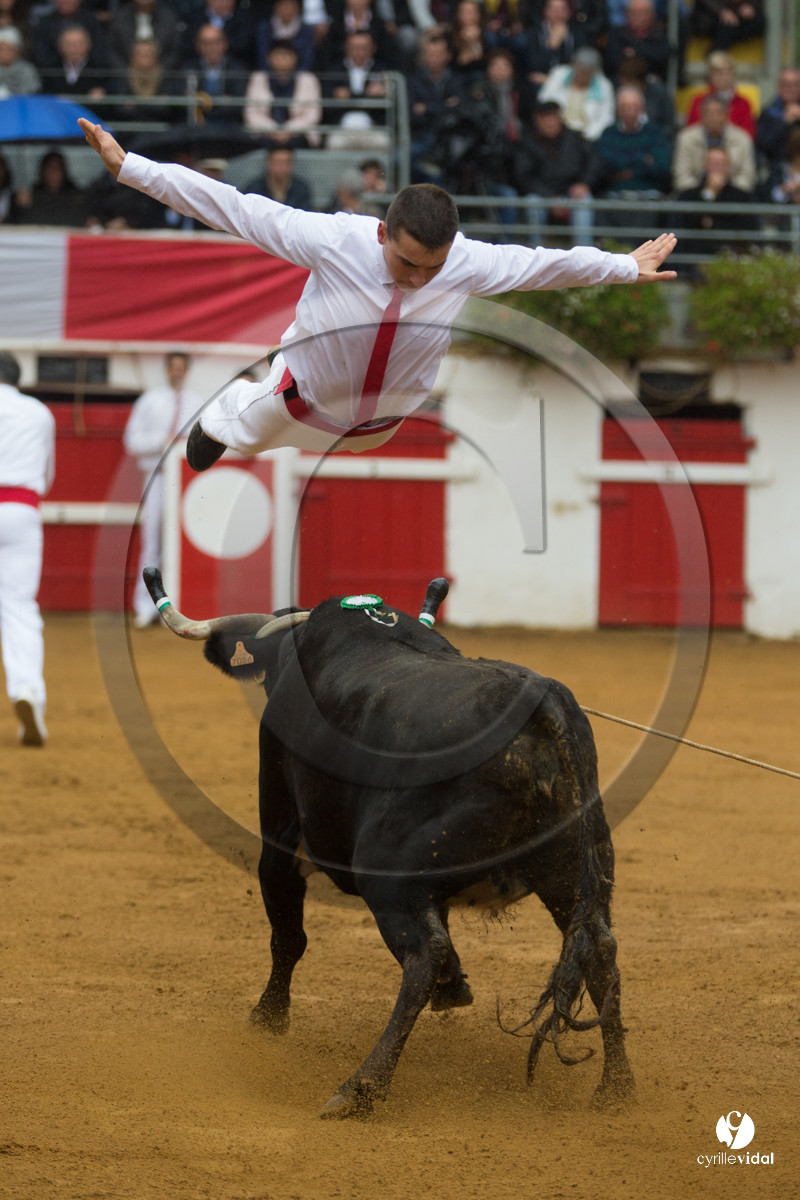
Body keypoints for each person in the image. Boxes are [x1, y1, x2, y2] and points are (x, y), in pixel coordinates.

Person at [78, 115, 677, 468]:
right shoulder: (335, 239)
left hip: (384, 420)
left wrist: (625, 266)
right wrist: (132, 167)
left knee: (347, 433)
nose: (418, 278)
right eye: (408, 263)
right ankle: (221, 416)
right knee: (246, 430)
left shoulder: (466, 261)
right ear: (384, 232)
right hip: (301, 397)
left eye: (431, 269)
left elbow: (543, 264)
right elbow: (233, 207)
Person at [123, 352, 202, 627]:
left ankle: (175, 607)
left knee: (180, 542)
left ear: (186, 370)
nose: (177, 372)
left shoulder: (197, 402)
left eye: (182, 367)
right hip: (156, 476)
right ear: (167, 370)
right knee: (152, 540)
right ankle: (146, 607)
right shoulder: (150, 401)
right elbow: (132, 442)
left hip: (187, 480)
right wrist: (163, 440)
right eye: (173, 367)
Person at [0, 351, 55, 746]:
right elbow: (47, 475)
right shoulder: (39, 412)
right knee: (19, 607)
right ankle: (27, 691)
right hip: (22, 508)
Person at [513, 99, 599, 243]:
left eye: (553, 116)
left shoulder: (576, 138)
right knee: (531, 202)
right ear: (537, 120)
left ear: (560, 118)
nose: (549, 122)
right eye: (545, 117)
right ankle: (536, 254)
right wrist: (549, 197)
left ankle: (585, 256)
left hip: (573, 194)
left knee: (585, 200)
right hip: (542, 196)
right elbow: (523, 176)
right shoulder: (527, 143)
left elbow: (595, 163)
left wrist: (584, 184)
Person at [594, 85, 671, 226]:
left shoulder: (654, 133)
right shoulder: (608, 134)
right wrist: (644, 160)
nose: (630, 112)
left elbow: (662, 167)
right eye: (625, 107)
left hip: (649, 196)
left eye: (634, 106)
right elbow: (604, 167)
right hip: (615, 195)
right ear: (617, 109)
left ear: (642, 109)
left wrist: (624, 166)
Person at [675, 145, 757, 262]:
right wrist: (709, 194)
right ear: (704, 165)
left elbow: (744, 227)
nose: (717, 168)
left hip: (730, 254)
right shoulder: (689, 195)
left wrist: (711, 222)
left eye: (721, 163)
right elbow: (689, 223)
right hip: (695, 255)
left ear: (728, 167)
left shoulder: (742, 196)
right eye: (713, 163)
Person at [244, 39, 322, 147]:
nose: (282, 59)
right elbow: (251, 114)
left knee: (296, 143)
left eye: (287, 55)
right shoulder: (257, 78)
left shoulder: (308, 80)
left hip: (298, 134)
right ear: (268, 58)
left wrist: (287, 130)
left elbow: (312, 115)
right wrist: (273, 130)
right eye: (278, 55)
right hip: (264, 133)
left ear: (295, 58)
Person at [672, 93, 755, 193]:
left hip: (733, 196)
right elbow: (682, 175)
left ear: (726, 114)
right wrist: (704, 190)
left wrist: (728, 191)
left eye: (718, 113)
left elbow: (747, 176)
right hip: (695, 196)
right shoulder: (686, 138)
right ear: (702, 115)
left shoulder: (742, 139)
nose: (714, 118)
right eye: (709, 113)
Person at [538, 45, 615, 141]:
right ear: (574, 66)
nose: (583, 75)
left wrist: (587, 135)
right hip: (559, 131)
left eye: (587, 73)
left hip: (587, 135)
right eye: (580, 71)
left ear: (594, 72)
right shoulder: (558, 74)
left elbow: (606, 118)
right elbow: (544, 100)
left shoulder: (604, 85)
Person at [685, 51, 756, 139]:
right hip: (703, 148)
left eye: (728, 72)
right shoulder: (698, 101)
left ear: (733, 75)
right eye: (719, 73)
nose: (724, 77)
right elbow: (692, 131)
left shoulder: (743, 103)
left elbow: (747, 135)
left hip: (734, 148)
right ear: (710, 75)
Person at [240, 145, 314, 209]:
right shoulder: (254, 187)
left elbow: (305, 213)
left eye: (286, 162)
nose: (281, 167)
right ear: (268, 162)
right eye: (277, 162)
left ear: (292, 164)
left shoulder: (301, 187)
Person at [756, 67, 800, 170]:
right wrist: (784, 123)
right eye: (786, 85)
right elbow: (763, 146)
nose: (791, 89)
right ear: (779, 87)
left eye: (795, 85)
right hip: (777, 170)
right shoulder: (768, 113)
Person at [0, 25, 40, 95]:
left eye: (9, 49)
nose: (5, 53)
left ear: (17, 51)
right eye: (2, 49)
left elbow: (30, 91)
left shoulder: (27, 69)